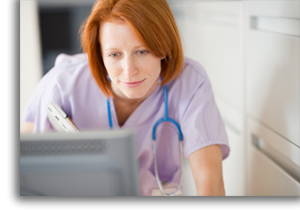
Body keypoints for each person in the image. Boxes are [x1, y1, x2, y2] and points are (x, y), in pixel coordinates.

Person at [21, 0, 230, 196]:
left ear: (164, 47)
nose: (129, 72)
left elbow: (211, 188)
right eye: (114, 55)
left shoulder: (190, 81)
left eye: (142, 51)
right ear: (100, 54)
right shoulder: (63, 84)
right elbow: (29, 179)